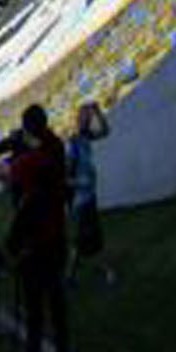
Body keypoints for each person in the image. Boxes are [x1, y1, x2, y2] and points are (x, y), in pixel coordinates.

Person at [0, 103, 70, 352]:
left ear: (27, 130)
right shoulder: (56, 146)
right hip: (57, 235)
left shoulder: (31, 160)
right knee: (57, 299)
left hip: (34, 243)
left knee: (35, 309)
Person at [66, 101, 114, 287]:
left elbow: (105, 131)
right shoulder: (74, 142)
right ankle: (107, 270)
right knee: (93, 238)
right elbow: (65, 177)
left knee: (81, 241)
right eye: (84, 116)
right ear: (78, 120)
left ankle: (69, 277)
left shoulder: (85, 137)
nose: (86, 120)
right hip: (81, 199)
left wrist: (98, 112)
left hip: (88, 196)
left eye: (88, 116)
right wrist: (80, 183)